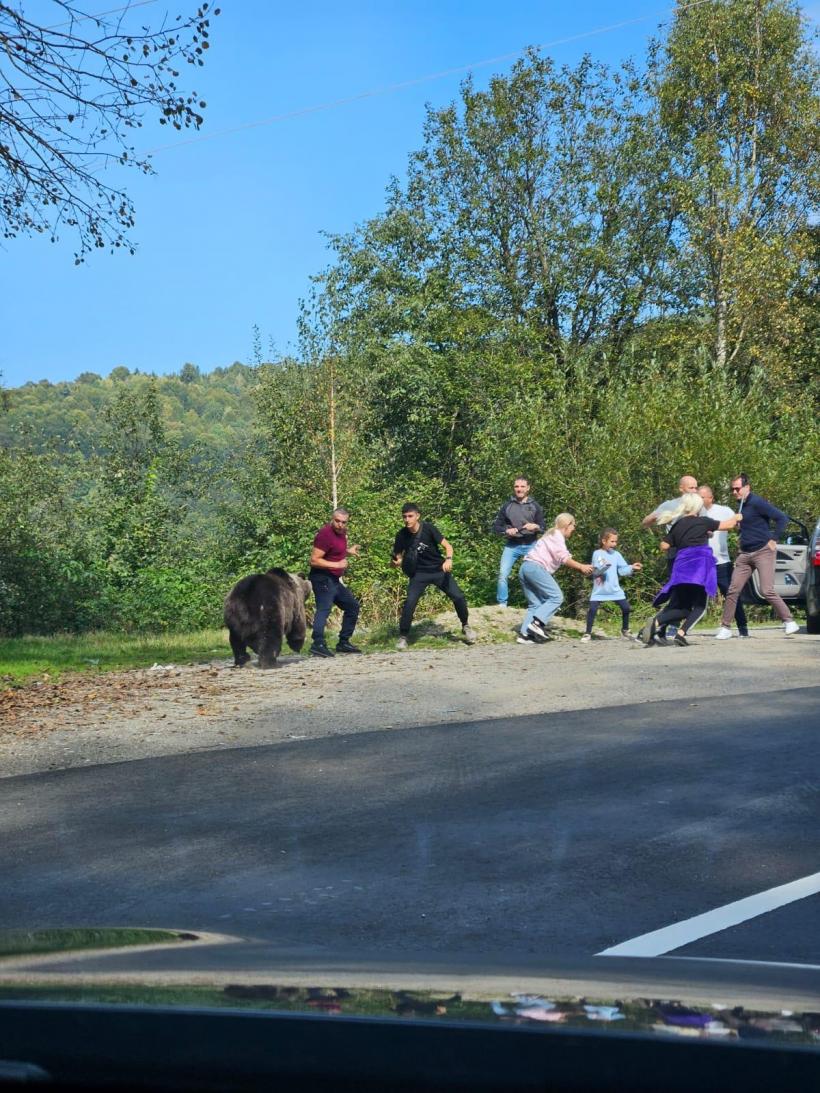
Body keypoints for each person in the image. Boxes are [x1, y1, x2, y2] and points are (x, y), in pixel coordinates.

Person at [638, 493, 741, 648]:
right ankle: (680, 634)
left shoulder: (678, 524)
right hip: (699, 569)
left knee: (684, 609)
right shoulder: (703, 521)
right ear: (698, 507)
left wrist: (681, 540)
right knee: (700, 607)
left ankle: (656, 622)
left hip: (681, 569)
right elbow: (729, 525)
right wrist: (737, 517)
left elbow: (664, 546)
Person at [715, 474, 800, 639]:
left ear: (747, 487)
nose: (734, 492)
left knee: (766, 590)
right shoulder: (740, 505)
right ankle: (725, 627)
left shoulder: (757, 502)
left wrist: (774, 539)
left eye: (737, 489)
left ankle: (789, 621)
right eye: (732, 489)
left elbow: (782, 518)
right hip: (745, 554)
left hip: (763, 551)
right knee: (733, 590)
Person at [391, 503, 476, 650]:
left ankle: (465, 626)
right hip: (418, 574)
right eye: (404, 516)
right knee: (410, 603)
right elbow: (397, 559)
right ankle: (403, 637)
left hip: (438, 570)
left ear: (417, 516)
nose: (407, 519)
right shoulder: (401, 535)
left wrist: (448, 560)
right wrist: (395, 563)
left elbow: (448, 547)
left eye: (410, 516)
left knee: (458, 597)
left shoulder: (429, 528)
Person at [517, 514, 593, 645]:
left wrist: (582, 568)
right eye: (573, 525)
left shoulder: (550, 535)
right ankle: (536, 624)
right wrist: (581, 566)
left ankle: (525, 635)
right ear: (567, 525)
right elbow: (564, 558)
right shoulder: (557, 536)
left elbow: (564, 556)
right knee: (556, 597)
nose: (574, 529)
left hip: (525, 568)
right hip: (536, 568)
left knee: (535, 604)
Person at [308, 507, 362, 657]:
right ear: (332, 519)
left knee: (352, 606)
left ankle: (343, 642)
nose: (340, 525)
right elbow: (314, 560)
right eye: (337, 521)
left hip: (333, 579)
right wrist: (337, 565)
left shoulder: (342, 533)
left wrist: (348, 552)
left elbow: (334, 551)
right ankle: (317, 644)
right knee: (324, 609)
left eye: (344, 522)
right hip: (321, 578)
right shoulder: (325, 534)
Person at [698, 484, 749, 638]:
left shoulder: (724, 511)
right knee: (690, 593)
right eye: (697, 497)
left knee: (731, 594)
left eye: (702, 497)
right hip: (700, 562)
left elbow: (739, 524)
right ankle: (676, 627)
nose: (699, 500)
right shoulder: (693, 512)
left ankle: (742, 627)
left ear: (711, 498)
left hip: (721, 562)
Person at [581, 528, 643, 642]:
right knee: (592, 610)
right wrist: (603, 568)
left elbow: (622, 570)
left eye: (616, 541)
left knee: (626, 608)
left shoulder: (616, 555)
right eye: (612, 541)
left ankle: (625, 630)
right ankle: (587, 633)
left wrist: (631, 567)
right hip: (600, 590)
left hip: (614, 589)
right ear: (604, 541)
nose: (614, 544)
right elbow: (596, 571)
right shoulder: (597, 553)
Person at [492, 477, 546, 606]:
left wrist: (536, 527)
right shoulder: (507, 505)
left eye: (522, 487)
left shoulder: (535, 506)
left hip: (531, 545)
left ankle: (539, 603)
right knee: (502, 574)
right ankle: (502, 604)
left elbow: (544, 527)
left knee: (535, 575)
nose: (519, 489)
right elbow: (496, 527)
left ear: (528, 488)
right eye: (516, 486)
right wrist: (506, 530)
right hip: (512, 545)